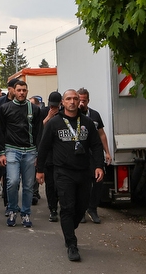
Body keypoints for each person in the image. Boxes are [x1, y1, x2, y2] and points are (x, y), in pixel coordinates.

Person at [36, 89, 105, 262]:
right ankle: (71, 244)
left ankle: (69, 228)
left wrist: (99, 166)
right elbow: (43, 147)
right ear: (63, 102)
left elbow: (96, 146)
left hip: (84, 172)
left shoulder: (88, 122)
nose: (73, 102)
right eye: (68, 99)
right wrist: (40, 170)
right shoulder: (55, 123)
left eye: (75, 98)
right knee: (67, 207)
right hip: (63, 172)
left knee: (80, 207)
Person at [0, 79, 44, 228]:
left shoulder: (35, 109)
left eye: (24, 90)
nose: (21, 93)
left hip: (30, 152)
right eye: (19, 90)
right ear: (13, 91)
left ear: (27, 91)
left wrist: (38, 155)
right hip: (11, 150)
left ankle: (25, 213)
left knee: (29, 185)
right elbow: (0, 131)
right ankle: (12, 209)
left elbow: (39, 133)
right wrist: (1, 153)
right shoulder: (5, 108)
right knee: (12, 182)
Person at [76, 88, 111, 224]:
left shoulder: (95, 115)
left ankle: (93, 208)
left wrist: (107, 152)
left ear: (88, 101)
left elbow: (101, 134)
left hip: (95, 153)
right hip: (80, 154)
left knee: (98, 181)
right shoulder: (74, 115)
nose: (81, 103)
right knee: (82, 184)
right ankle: (82, 210)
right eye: (80, 100)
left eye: (84, 101)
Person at [43, 91, 63, 223]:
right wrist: (48, 118)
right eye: (51, 105)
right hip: (49, 156)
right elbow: (41, 133)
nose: (53, 108)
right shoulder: (43, 112)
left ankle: (64, 207)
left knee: (61, 184)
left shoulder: (65, 113)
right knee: (50, 184)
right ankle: (53, 209)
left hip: (62, 156)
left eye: (56, 106)